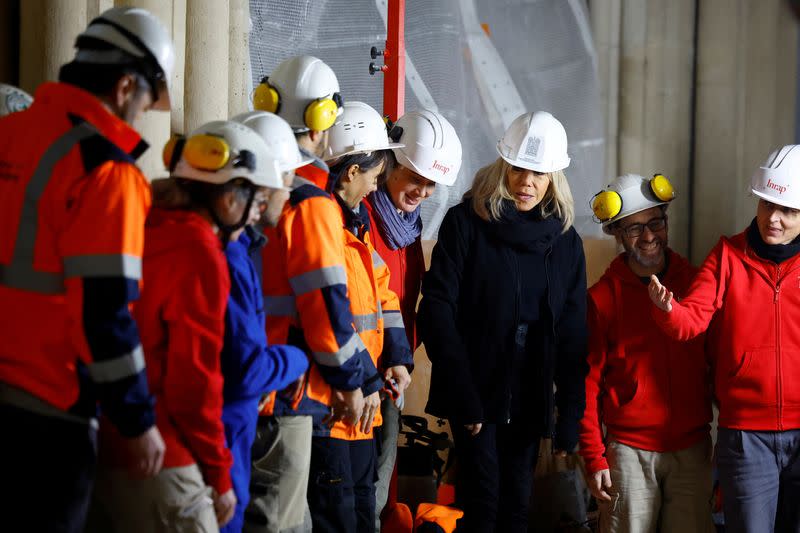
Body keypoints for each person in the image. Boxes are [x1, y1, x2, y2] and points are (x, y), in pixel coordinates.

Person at [0, 7, 173, 532]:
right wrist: (138, 420)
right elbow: (103, 312)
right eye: (146, 102)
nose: (141, 117)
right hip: (49, 410)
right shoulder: (107, 172)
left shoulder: (12, 131)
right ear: (125, 87)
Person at [94, 120, 279, 531]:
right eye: (256, 201)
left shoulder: (141, 224)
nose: (254, 216)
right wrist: (218, 474)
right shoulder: (199, 251)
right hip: (164, 453)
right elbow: (193, 381)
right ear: (230, 195)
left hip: (103, 442)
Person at [418, 111, 588, 532]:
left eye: (539, 173)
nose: (526, 181)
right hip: (477, 389)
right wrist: (462, 392)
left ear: (553, 178)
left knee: (516, 508)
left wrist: (570, 413)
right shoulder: (465, 225)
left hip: (530, 393)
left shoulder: (566, 243)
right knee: (483, 504)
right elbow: (437, 308)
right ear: (503, 167)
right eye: (518, 169)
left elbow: (572, 333)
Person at [244, 55, 372, 533]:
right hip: (289, 392)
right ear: (324, 121)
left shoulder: (242, 186)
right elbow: (324, 309)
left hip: (243, 380)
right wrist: (351, 382)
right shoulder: (310, 202)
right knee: (280, 519)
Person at [649, 144, 800, 533]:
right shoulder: (728, 256)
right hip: (746, 438)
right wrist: (669, 310)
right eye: (768, 205)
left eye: (788, 211)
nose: (774, 219)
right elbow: (690, 320)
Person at [580, 173, 713, 532]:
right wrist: (594, 457)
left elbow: (720, 362)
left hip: (692, 448)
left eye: (656, 222)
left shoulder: (697, 284)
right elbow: (586, 386)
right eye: (635, 229)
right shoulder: (602, 299)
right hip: (628, 452)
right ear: (618, 235)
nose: (649, 236)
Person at [315, 100, 414, 532]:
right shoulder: (322, 230)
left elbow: (384, 297)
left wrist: (397, 357)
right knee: (335, 516)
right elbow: (331, 318)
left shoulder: (356, 228)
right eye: (374, 176)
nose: (376, 188)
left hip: (360, 404)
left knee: (359, 512)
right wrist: (367, 381)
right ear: (351, 172)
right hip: (333, 403)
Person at [362, 109, 463, 531]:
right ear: (389, 164)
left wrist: (402, 358)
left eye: (430, 183)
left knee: (383, 479)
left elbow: (407, 302)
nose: (423, 191)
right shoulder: (360, 218)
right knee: (351, 485)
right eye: (414, 178)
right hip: (358, 374)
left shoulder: (406, 229)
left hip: (392, 372)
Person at [219, 111, 312, 533]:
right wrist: (296, 360)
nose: (289, 190)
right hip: (224, 433)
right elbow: (245, 370)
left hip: (237, 425)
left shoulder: (240, 246)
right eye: (287, 178)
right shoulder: (230, 255)